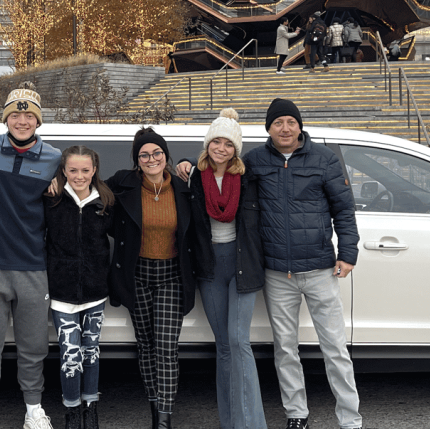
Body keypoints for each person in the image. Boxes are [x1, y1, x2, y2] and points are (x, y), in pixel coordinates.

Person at [246, 99, 361, 429]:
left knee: (335, 347)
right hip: (276, 273)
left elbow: (344, 210)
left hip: (320, 270)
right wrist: (186, 164)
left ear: (299, 126)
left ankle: (350, 419)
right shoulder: (253, 161)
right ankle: (296, 414)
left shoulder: (324, 159)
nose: (285, 128)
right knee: (285, 348)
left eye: (290, 122)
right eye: (277, 122)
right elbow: (219, 170)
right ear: (268, 128)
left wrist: (348, 253)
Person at [0, 86, 62, 429]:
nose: (22, 121)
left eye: (29, 115)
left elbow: (87, 174)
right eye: (15, 114)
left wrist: (183, 163)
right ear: (5, 118)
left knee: (34, 347)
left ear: (38, 120)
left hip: (32, 266)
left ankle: (33, 409)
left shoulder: (54, 158)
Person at [107, 127, 199, 429]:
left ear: (166, 155)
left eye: (157, 153)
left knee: (166, 348)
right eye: (144, 155)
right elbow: (87, 183)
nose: (151, 159)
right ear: (137, 160)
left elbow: (211, 165)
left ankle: (163, 420)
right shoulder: (123, 183)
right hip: (137, 275)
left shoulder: (183, 187)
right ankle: (154, 407)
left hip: (172, 275)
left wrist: (189, 161)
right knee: (145, 344)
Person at [188, 109, 266, 429]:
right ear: (207, 144)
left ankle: (252, 424)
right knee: (223, 346)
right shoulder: (193, 177)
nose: (221, 148)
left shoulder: (248, 178)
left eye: (228, 144)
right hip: (209, 266)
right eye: (216, 142)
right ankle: (230, 422)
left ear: (236, 150)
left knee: (238, 341)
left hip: (241, 263)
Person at [43, 146, 116, 429]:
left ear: (94, 170)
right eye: (72, 170)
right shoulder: (52, 198)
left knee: (91, 351)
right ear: (63, 170)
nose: (79, 176)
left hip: (95, 291)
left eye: (85, 170)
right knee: (70, 354)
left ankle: (90, 407)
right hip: (62, 291)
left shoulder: (105, 200)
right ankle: (72, 410)